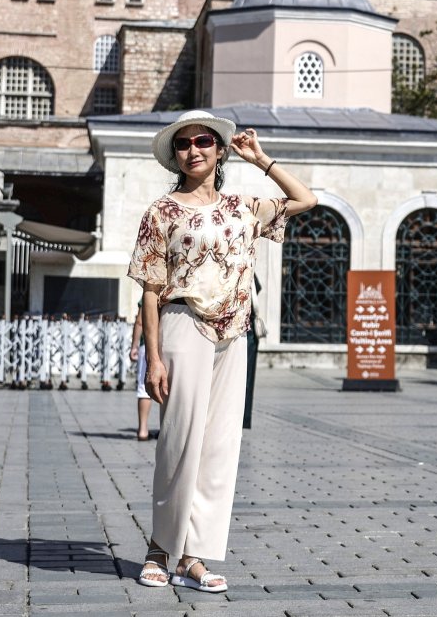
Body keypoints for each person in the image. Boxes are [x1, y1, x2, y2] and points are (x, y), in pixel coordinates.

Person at [129, 110, 317, 593]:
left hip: (234, 331)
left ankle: (194, 555)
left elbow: (306, 199)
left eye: (204, 141)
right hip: (183, 323)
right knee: (179, 440)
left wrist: (260, 159)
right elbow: (150, 289)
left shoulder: (242, 207)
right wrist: (153, 357)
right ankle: (158, 547)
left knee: (219, 448)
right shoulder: (162, 212)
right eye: (185, 144)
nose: (194, 149)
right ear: (176, 155)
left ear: (219, 150)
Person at [130, 311, 153, 440]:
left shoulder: (149, 292)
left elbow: (140, 321)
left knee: (144, 388)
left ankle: (143, 430)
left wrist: (134, 345)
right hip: (168, 342)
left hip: (148, 345)